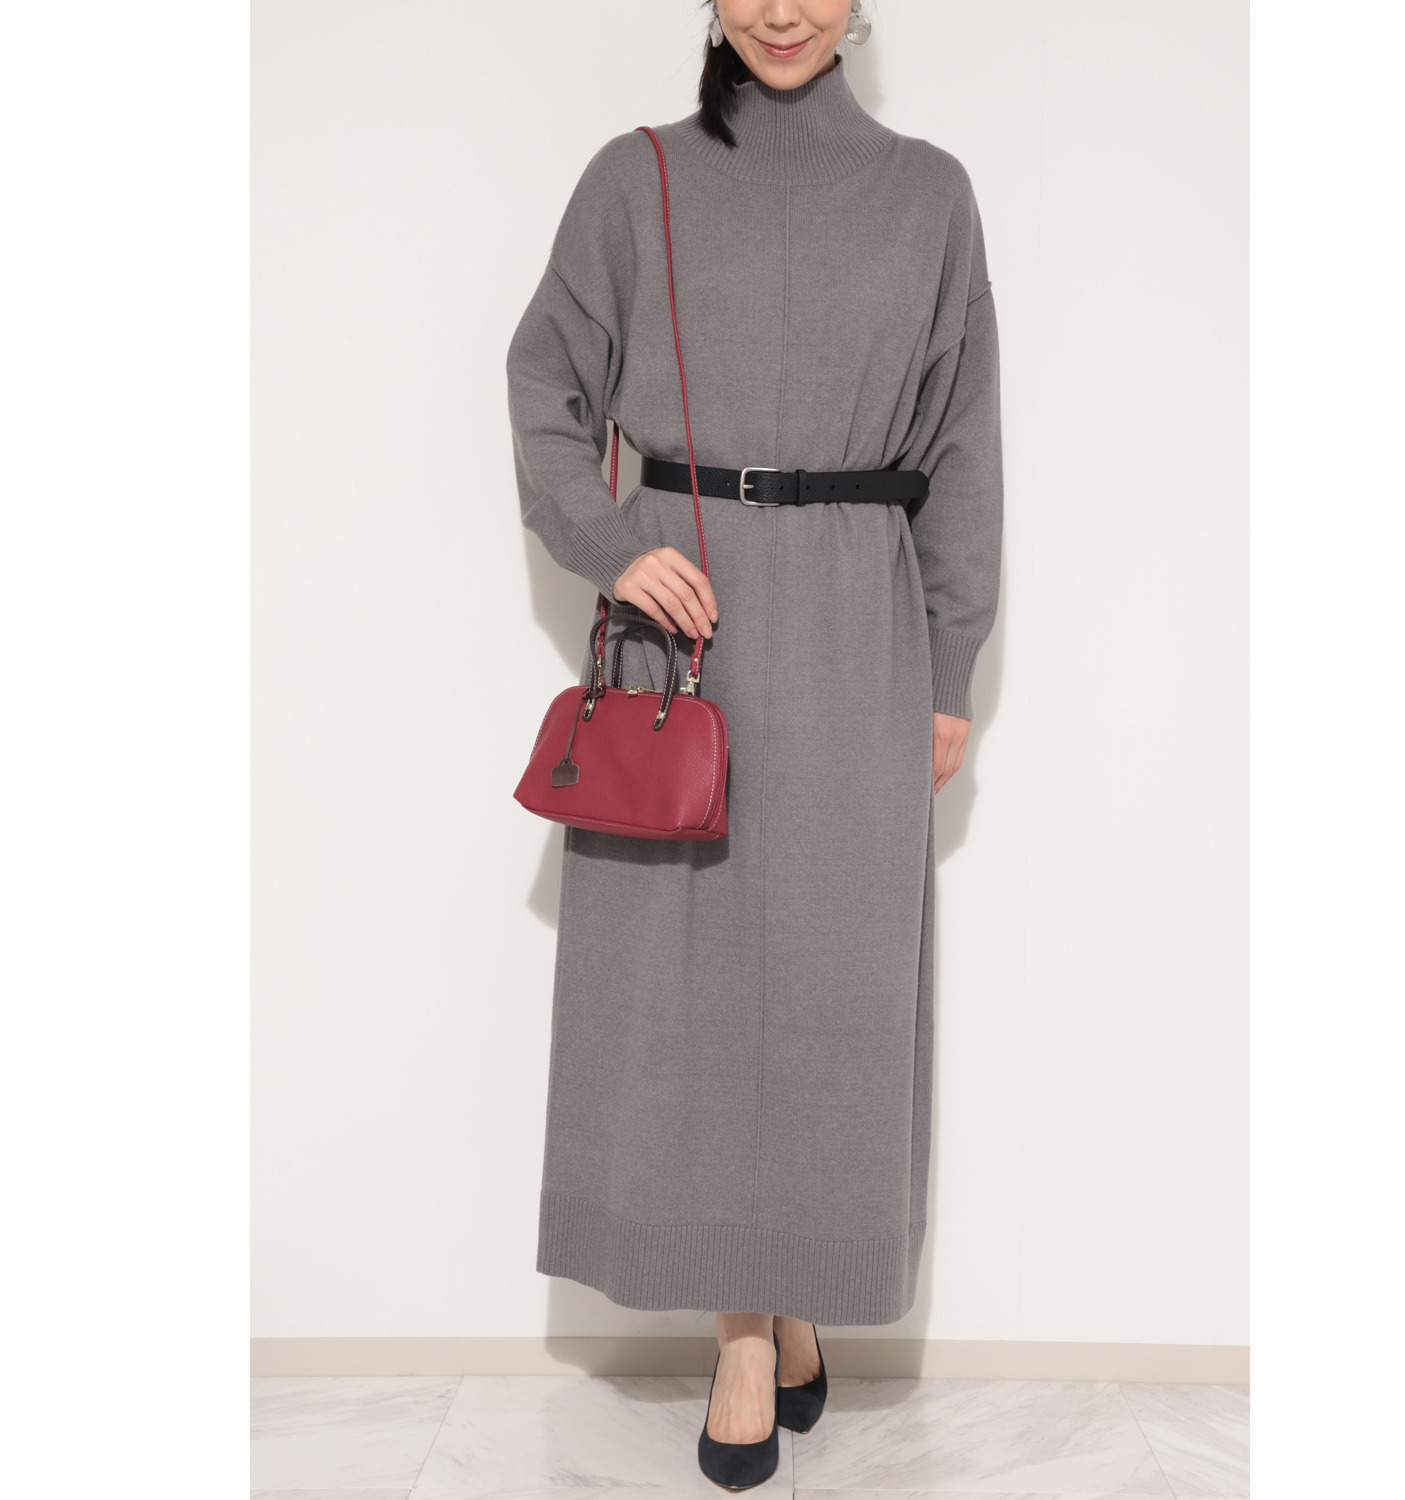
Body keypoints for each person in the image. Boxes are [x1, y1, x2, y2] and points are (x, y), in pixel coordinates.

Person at [506, 0, 1002, 1486]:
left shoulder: (929, 194)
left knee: (836, 993)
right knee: (696, 996)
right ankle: (744, 1337)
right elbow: (543, 386)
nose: (783, 8)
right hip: (688, 636)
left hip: (861, 630)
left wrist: (950, 666)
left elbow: (964, 448)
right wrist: (613, 541)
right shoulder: (635, 177)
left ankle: (790, 1303)